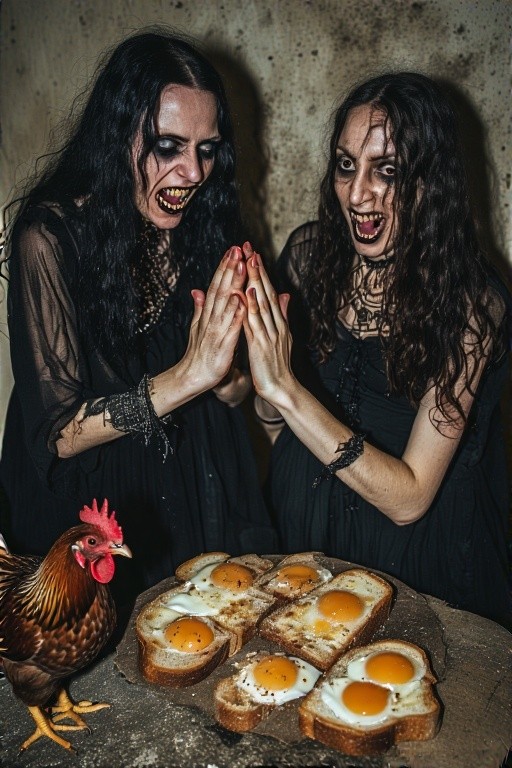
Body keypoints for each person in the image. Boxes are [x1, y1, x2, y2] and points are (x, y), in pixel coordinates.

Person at [0, 28, 277, 601]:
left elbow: (233, 390)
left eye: (207, 149)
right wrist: (187, 377)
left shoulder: (206, 226)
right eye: (168, 146)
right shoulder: (49, 239)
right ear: (116, 136)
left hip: (186, 483)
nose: (194, 172)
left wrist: (232, 380)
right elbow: (58, 434)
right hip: (92, 507)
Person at [241, 72, 511, 628]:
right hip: (305, 544)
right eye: (346, 165)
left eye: (386, 170)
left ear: (430, 181)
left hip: (417, 567)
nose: (357, 193)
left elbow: (411, 498)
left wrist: (285, 390)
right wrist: (256, 375)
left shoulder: (472, 304)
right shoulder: (309, 256)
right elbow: (273, 423)